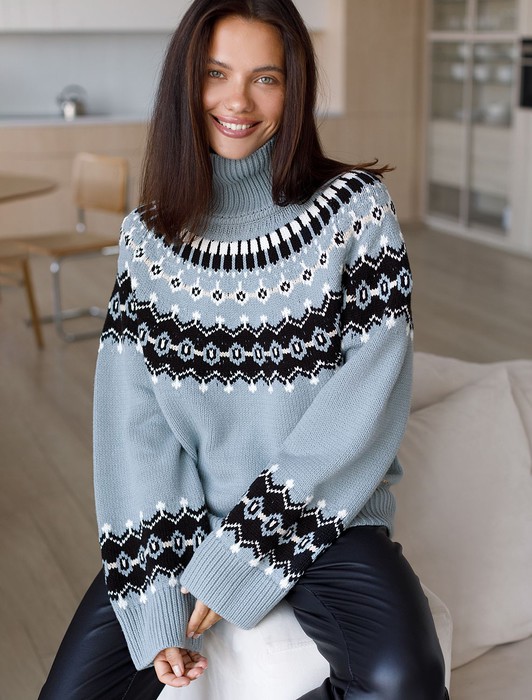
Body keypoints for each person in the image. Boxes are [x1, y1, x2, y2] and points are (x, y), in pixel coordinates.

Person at [39, 1, 449, 698]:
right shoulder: (149, 238)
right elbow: (133, 425)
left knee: (402, 679)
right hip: (183, 521)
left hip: (325, 520)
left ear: (295, 90)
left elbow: (368, 394)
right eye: (216, 73)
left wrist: (245, 553)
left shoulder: (356, 208)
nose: (238, 101)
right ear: (184, 83)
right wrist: (160, 595)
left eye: (267, 78)